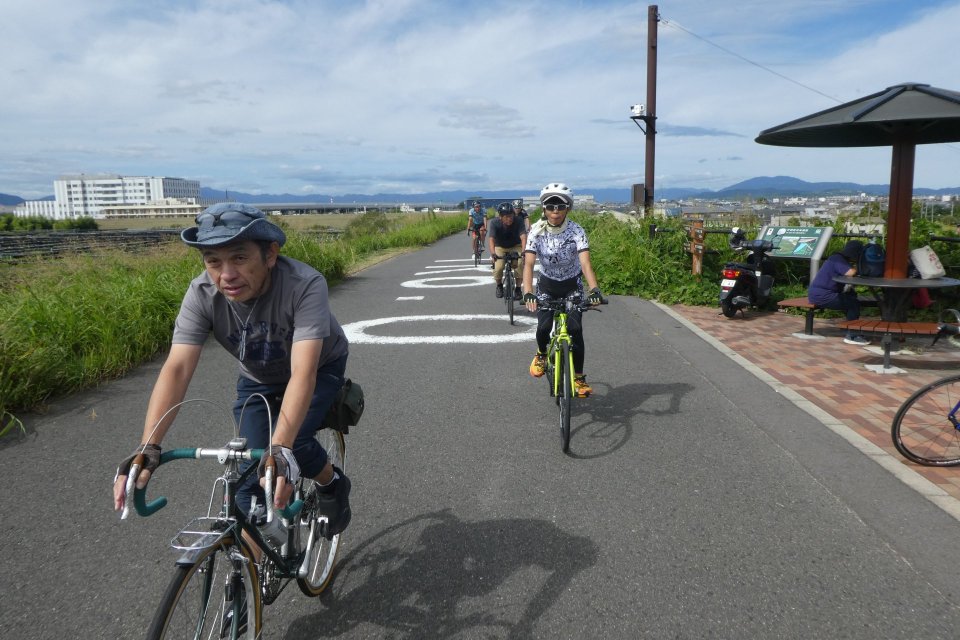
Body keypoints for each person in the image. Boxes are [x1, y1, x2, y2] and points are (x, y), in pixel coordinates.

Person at [113, 203, 352, 540]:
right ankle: (252, 574)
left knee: (290, 442)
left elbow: (303, 371)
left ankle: (332, 483)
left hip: (318, 367)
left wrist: (280, 447)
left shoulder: (304, 284)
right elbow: (178, 367)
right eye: (213, 261)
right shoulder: (202, 295)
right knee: (246, 485)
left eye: (239, 258)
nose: (226, 274)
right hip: (258, 377)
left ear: (270, 254)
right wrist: (149, 446)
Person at [522, 183, 603, 397]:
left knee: (575, 330)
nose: (555, 211)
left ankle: (578, 377)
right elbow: (529, 264)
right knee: (543, 327)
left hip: (571, 286)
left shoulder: (577, 230)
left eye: (560, 206)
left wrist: (594, 289)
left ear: (568, 208)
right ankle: (541, 354)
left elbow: (585, 264)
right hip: (547, 285)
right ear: (544, 208)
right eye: (550, 206)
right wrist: (528, 291)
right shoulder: (536, 232)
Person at [808, 239, 870, 345]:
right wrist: (862, 267)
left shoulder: (837, 258)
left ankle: (850, 329)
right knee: (853, 304)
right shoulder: (838, 259)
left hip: (819, 293)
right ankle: (852, 335)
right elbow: (850, 272)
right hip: (822, 295)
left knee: (851, 297)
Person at [487, 202, 527, 300]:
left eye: (511, 215)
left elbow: (523, 237)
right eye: (506, 216)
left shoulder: (519, 220)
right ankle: (499, 286)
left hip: (515, 245)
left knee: (519, 264)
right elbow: (491, 239)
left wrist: (523, 252)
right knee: (498, 267)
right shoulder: (494, 222)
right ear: (500, 216)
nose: (509, 218)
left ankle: (518, 289)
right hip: (500, 246)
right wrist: (493, 253)